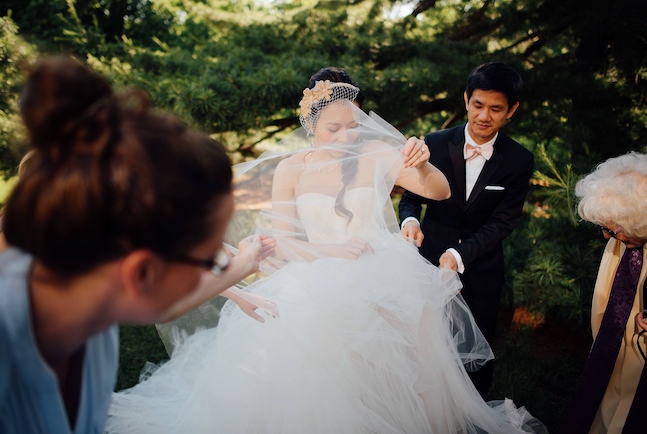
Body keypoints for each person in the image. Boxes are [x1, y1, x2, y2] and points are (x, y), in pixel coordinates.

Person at [105, 67, 545, 433]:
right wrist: (332, 251)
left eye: (353, 125)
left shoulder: (375, 152)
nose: (345, 136)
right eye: (334, 128)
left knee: (409, 374)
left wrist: (422, 163)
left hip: (386, 276)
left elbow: (441, 191)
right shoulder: (291, 169)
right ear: (311, 123)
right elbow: (281, 242)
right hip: (315, 277)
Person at [0, 56, 272, 434]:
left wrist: (238, 272)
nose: (216, 263)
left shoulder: (84, 286)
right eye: (210, 257)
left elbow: (163, 303)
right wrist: (240, 269)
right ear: (141, 270)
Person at [398, 61, 534, 398]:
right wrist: (411, 221)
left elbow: (504, 221)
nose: (485, 116)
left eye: (496, 108)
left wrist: (460, 254)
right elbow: (411, 199)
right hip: (427, 266)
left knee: (476, 355)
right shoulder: (436, 143)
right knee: (423, 344)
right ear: (466, 100)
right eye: (478, 105)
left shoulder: (519, 159)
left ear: (511, 110)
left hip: (481, 271)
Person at [560, 152, 647, 434]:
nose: (607, 236)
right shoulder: (621, 242)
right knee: (610, 373)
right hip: (620, 338)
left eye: (614, 230)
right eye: (605, 228)